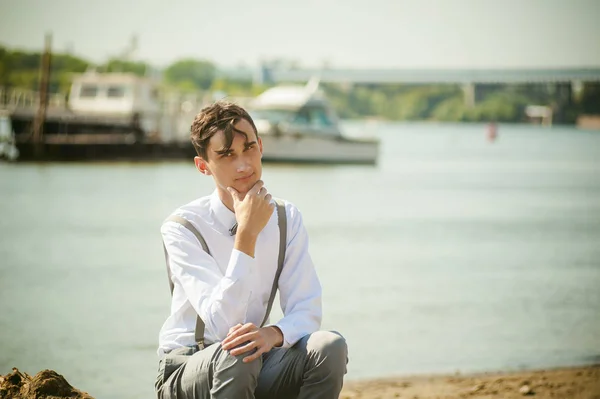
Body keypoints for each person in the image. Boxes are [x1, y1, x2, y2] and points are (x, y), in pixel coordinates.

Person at [155, 101, 348, 399]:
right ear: (203, 166)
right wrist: (246, 234)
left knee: (329, 347)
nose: (243, 165)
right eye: (227, 155)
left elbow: (307, 308)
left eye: (249, 149)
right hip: (187, 368)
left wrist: (273, 334)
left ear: (261, 145)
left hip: (253, 361)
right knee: (237, 353)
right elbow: (222, 326)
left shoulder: (286, 218)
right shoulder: (182, 228)